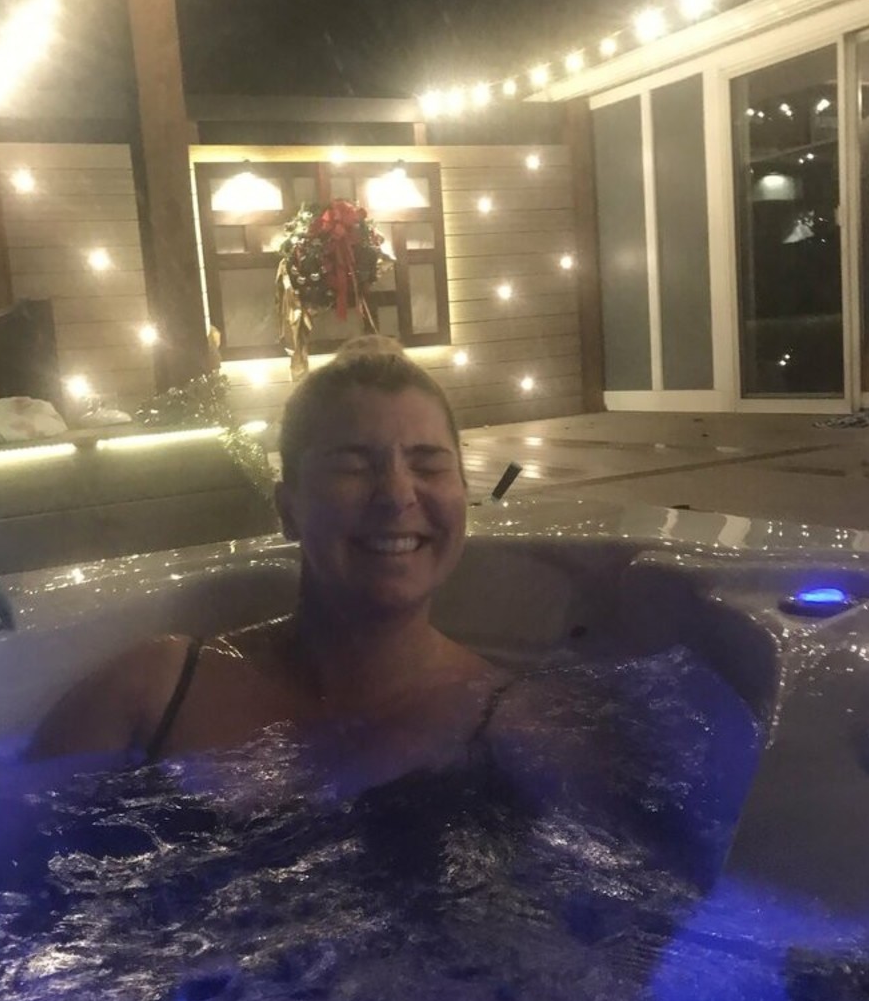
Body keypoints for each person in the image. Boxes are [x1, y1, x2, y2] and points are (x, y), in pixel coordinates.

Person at [28, 339, 518, 798]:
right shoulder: (152, 695)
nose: (396, 495)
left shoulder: (511, 723)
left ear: (462, 495)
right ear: (288, 510)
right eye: (352, 466)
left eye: (428, 466)